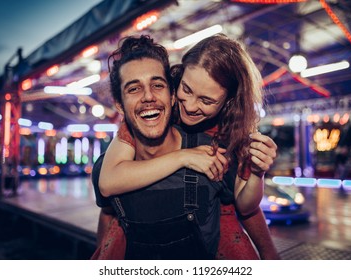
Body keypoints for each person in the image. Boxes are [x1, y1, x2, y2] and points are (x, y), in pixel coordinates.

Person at [92, 34, 279, 259]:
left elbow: (245, 207)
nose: (189, 107)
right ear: (176, 85)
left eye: (207, 101)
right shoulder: (141, 119)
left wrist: (270, 256)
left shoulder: (228, 135)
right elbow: (108, 185)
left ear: (228, 102)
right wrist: (184, 157)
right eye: (187, 90)